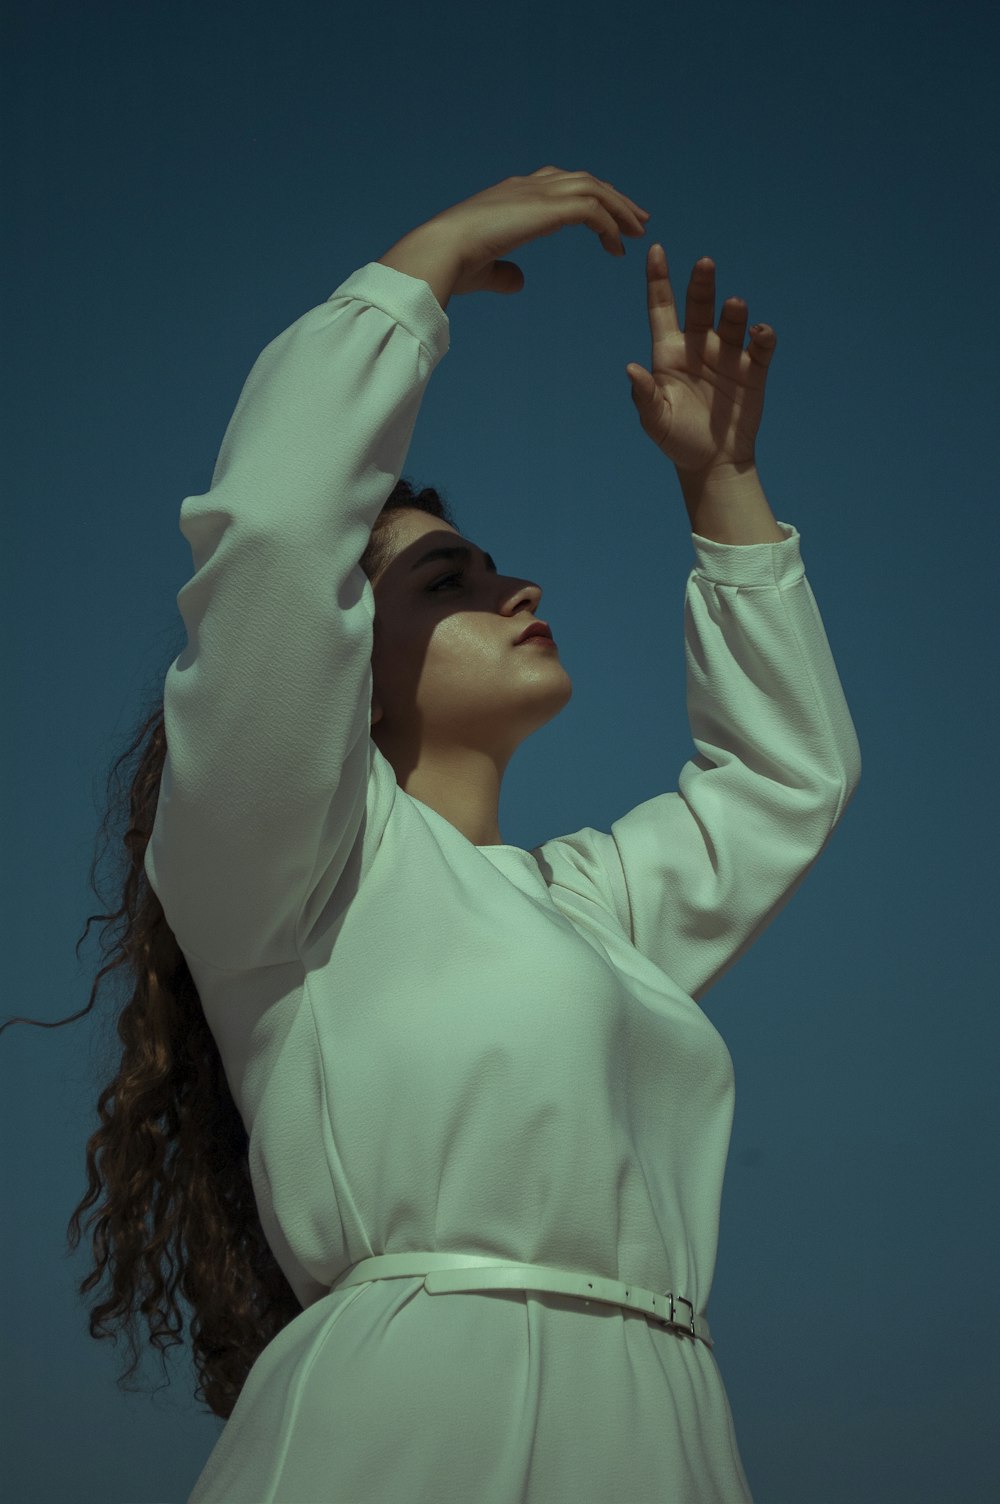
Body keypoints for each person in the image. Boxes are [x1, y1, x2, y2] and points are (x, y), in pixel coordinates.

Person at [9, 166, 861, 1501]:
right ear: (342, 653)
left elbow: (788, 778)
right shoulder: (285, 871)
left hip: (663, 1432)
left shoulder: (584, 907)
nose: (513, 584)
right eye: (445, 577)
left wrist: (723, 486)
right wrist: (424, 265)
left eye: (490, 563)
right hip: (417, 1423)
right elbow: (282, 537)